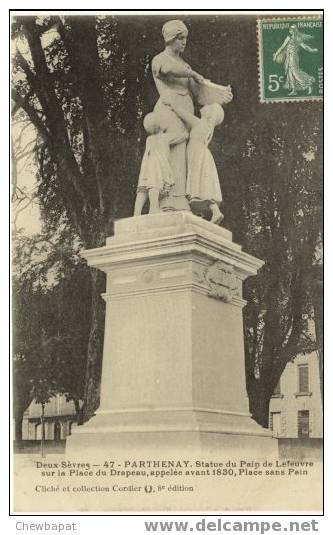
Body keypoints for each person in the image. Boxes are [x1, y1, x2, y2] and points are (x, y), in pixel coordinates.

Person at [151, 20, 206, 210]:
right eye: (180, 38)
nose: (184, 42)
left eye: (185, 39)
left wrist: (215, 90)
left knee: (183, 155)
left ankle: (181, 198)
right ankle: (167, 200)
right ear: (171, 38)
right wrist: (193, 74)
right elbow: (169, 70)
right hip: (169, 108)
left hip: (186, 109)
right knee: (173, 149)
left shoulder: (185, 65)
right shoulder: (160, 59)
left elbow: (197, 91)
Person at [162, 95, 225, 225]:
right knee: (201, 184)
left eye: (208, 107)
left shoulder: (199, 122)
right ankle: (208, 212)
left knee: (199, 183)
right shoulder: (206, 127)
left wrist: (171, 103)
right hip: (201, 155)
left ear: (210, 114)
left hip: (197, 156)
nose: (204, 106)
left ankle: (215, 212)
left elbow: (182, 113)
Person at [134, 111, 189, 215]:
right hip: (157, 166)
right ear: (161, 126)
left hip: (146, 167)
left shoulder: (149, 139)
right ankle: (154, 208)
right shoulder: (165, 137)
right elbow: (180, 137)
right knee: (154, 186)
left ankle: (136, 213)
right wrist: (186, 134)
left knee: (142, 189)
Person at [273, 24, 318, 96]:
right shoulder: (288, 38)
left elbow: (305, 47)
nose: (292, 31)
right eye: (291, 30)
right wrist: (276, 55)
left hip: (294, 57)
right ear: (290, 30)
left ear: (296, 30)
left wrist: (312, 50)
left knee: (295, 72)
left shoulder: (298, 38)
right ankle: (294, 90)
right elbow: (282, 47)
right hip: (288, 57)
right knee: (289, 73)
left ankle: (308, 85)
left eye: (294, 30)